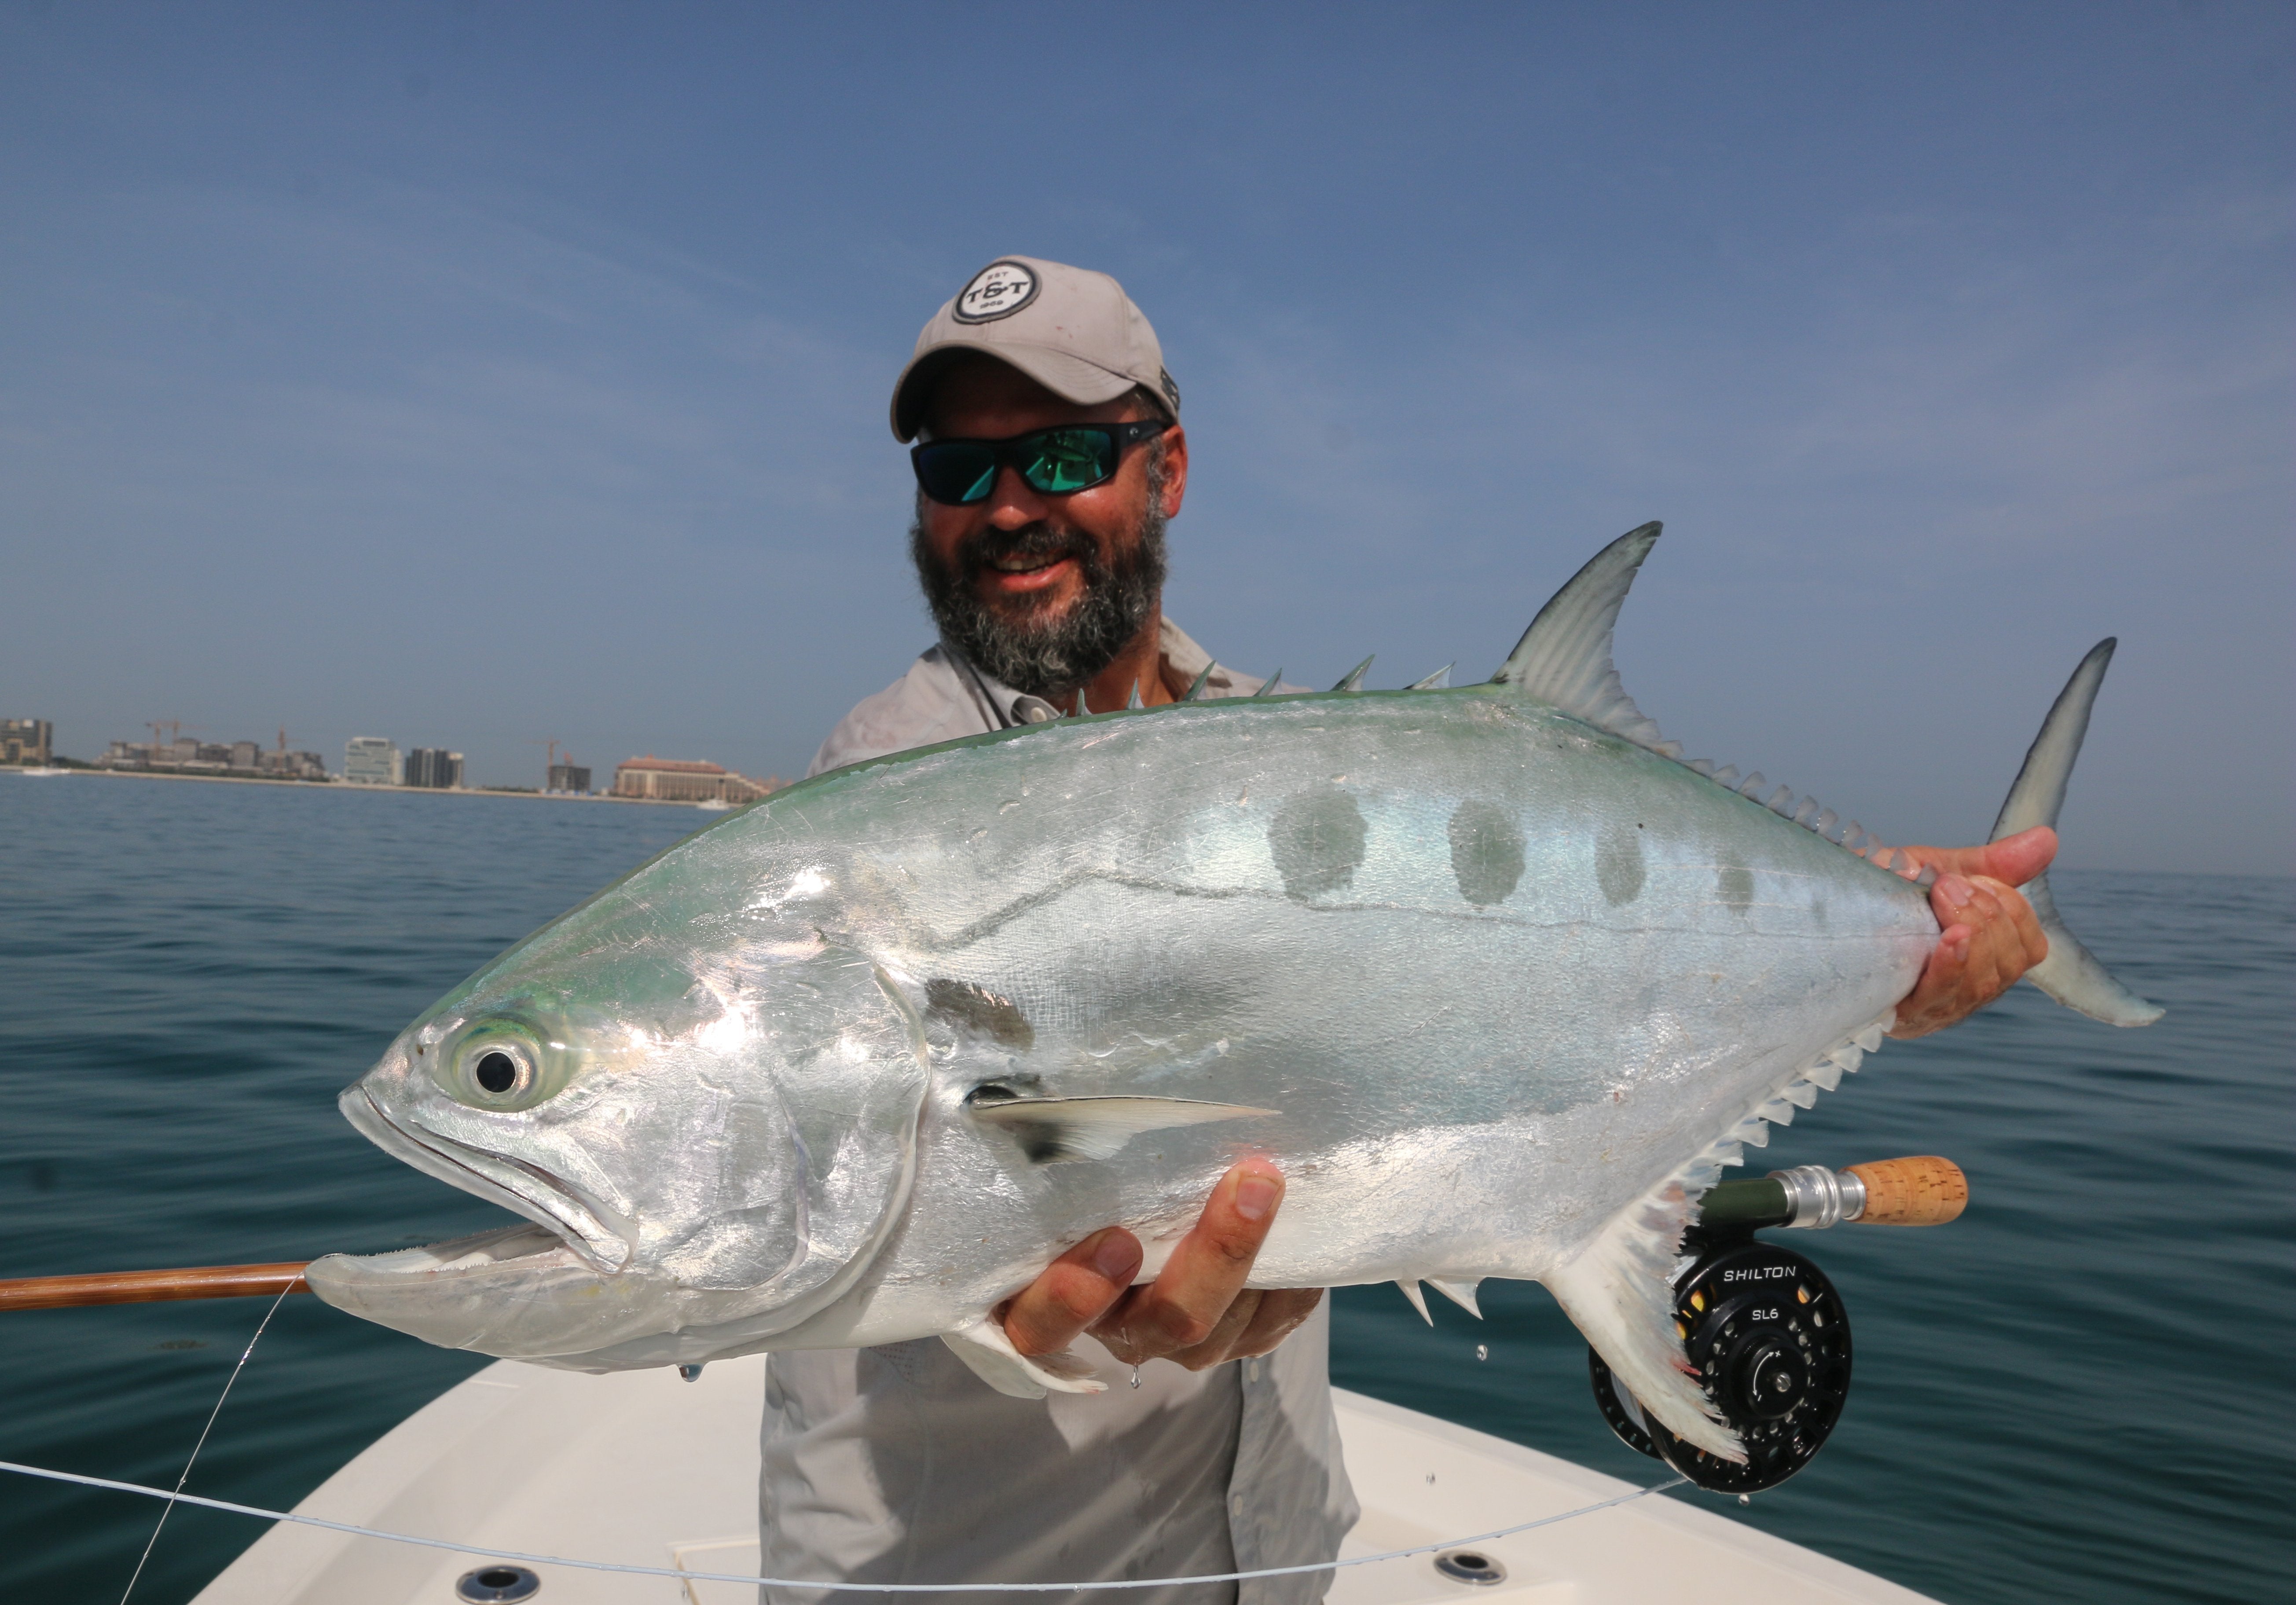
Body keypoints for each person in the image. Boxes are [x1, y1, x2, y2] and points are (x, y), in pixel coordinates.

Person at [762, 257, 2054, 1605]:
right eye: (956, 468)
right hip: (958, 1571)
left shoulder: (1309, 755)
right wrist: (1043, 1297)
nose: (1007, 507)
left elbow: (1538, 956)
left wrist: (1886, 943)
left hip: (1267, 1545)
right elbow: (895, 1188)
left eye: (1063, 454)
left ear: (1167, 467)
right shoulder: (875, 812)